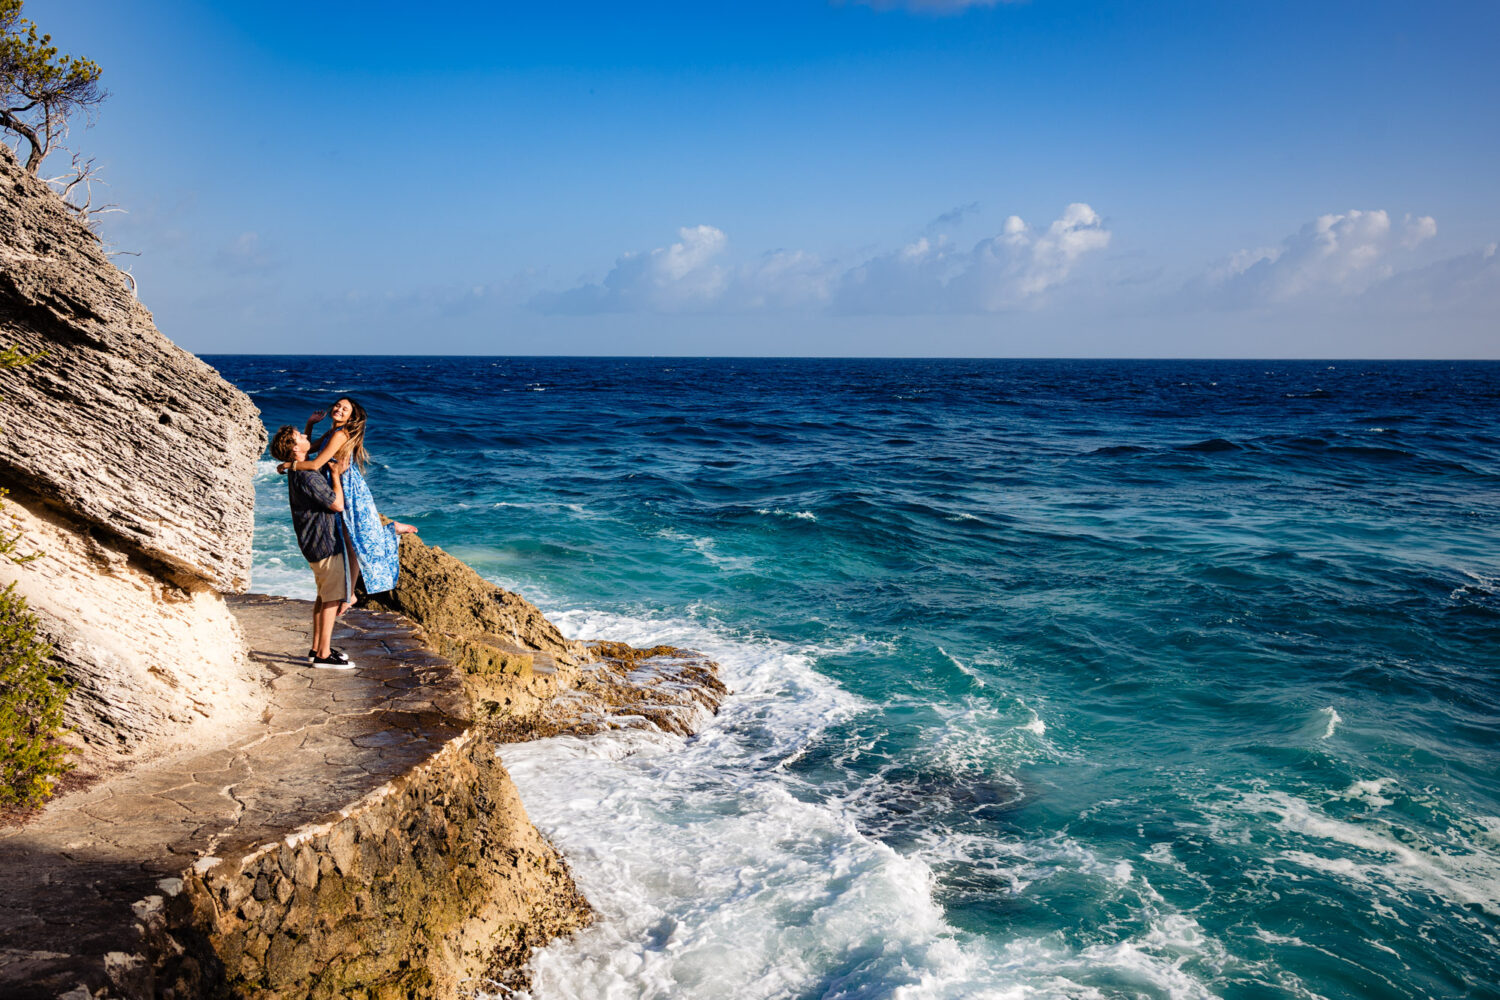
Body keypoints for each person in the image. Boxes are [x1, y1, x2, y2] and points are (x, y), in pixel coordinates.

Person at [276, 396, 417, 598]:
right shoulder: (333, 431)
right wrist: (309, 424)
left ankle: (389, 532)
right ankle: (350, 593)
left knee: (356, 540)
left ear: (351, 416)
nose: (339, 409)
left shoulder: (341, 435)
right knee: (350, 540)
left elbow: (315, 464)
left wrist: (290, 465)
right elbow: (310, 449)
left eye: (345, 409)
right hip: (335, 483)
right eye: (337, 405)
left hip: (348, 487)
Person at [269, 425, 356, 669]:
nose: (306, 437)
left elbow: (313, 449)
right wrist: (337, 475)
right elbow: (337, 505)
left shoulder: (297, 471)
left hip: (312, 543)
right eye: (301, 437)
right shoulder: (307, 475)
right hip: (324, 543)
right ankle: (323, 655)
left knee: (322, 597)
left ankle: (317, 648)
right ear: (296, 449)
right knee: (331, 599)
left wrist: (310, 425)